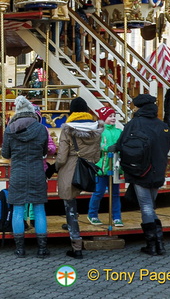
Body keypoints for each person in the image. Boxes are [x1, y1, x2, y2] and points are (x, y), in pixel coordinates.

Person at [113, 93, 170, 256]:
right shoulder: (162, 125)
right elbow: (166, 148)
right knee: (150, 205)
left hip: (141, 171)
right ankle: (159, 244)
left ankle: (152, 244)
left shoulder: (134, 124)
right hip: (158, 171)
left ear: (139, 108)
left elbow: (121, 144)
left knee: (146, 206)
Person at [1, 96, 50, 258]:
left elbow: (5, 154)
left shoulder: (10, 129)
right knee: (39, 209)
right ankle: (42, 249)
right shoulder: (41, 129)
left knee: (18, 209)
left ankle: (20, 249)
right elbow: (44, 152)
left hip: (18, 173)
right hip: (37, 172)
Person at [55, 96, 102, 259]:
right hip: (87, 169)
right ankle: (72, 226)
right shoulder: (96, 129)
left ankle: (76, 245)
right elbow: (97, 156)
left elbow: (61, 157)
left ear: (72, 111)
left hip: (70, 169)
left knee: (70, 205)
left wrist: (55, 167)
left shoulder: (68, 129)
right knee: (78, 202)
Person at [87, 105, 123, 228]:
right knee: (98, 192)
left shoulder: (119, 132)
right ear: (103, 118)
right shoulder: (99, 131)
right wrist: (107, 148)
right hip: (102, 167)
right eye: (110, 116)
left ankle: (117, 216)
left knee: (115, 193)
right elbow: (97, 145)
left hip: (115, 167)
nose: (113, 118)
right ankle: (92, 214)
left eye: (114, 116)